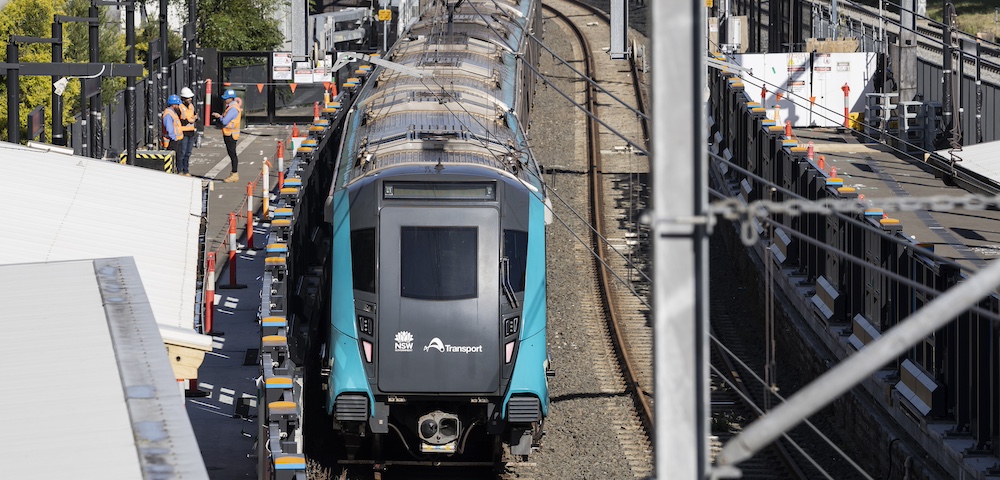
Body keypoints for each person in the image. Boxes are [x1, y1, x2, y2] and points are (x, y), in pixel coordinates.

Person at [212, 89, 241, 183]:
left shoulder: (233, 108)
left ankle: (234, 174)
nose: (224, 100)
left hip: (231, 134)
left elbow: (225, 121)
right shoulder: (231, 107)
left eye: (226, 98)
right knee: (232, 154)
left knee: (232, 154)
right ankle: (234, 173)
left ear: (230, 98)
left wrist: (219, 116)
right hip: (229, 133)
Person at [178, 87, 199, 176]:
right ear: (183, 98)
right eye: (188, 98)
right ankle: (180, 170)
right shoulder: (180, 107)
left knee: (188, 153)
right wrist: (191, 120)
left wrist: (194, 119)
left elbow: (194, 116)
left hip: (191, 132)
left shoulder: (191, 106)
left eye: (190, 97)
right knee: (182, 152)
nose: (190, 99)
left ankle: (186, 170)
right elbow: (182, 120)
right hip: (183, 132)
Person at [162, 94, 184, 173]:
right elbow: (169, 129)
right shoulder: (168, 114)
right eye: (177, 104)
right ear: (173, 105)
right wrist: (174, 138)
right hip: (172, 141)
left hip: (176, 139)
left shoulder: (173, 113)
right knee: (173, 160)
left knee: (178, 158)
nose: (179, 106)